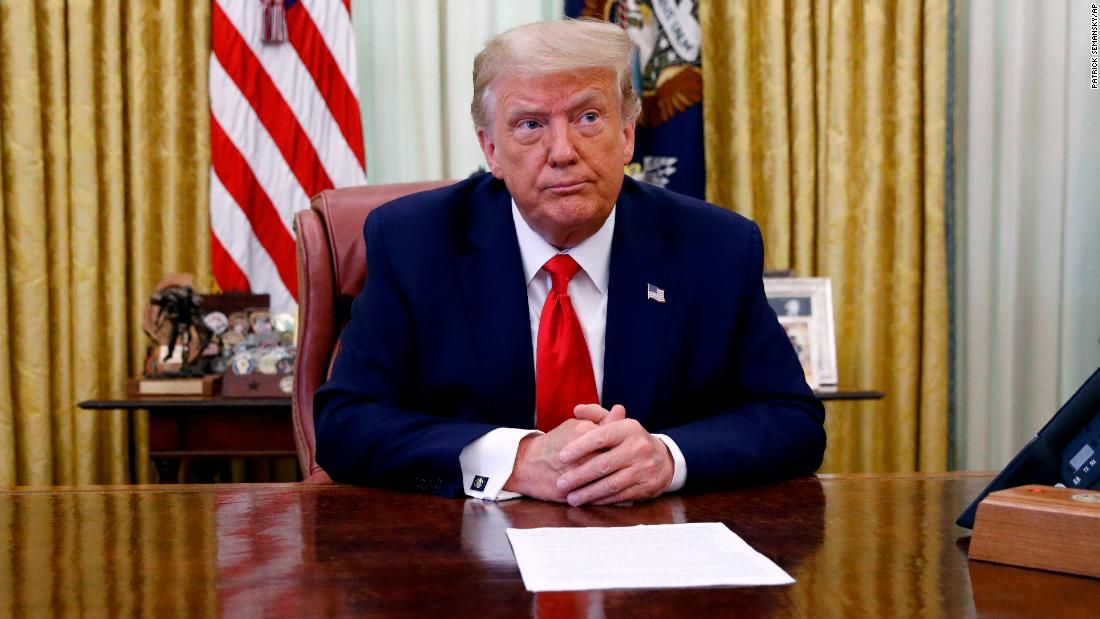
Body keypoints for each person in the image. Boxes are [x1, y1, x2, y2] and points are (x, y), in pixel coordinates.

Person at [315, 19, 825, 506]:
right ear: (491, 150)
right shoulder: (415, 243)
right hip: (472, 561)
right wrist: (517, 460)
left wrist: (668, 459)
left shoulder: (715, 247)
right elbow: (346, 424)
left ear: (627, 135)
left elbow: (792, 419)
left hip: (656, 554)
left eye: (587, 117)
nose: (563, 151)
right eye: (530, 124)